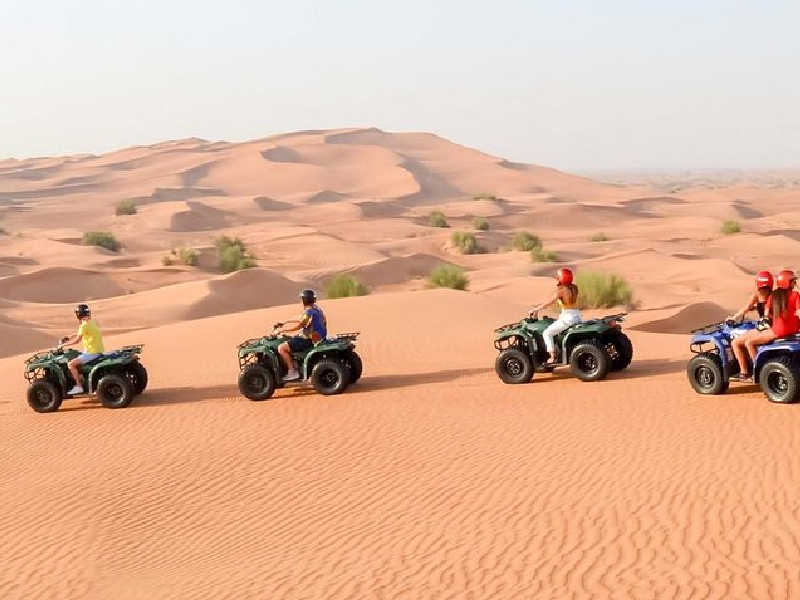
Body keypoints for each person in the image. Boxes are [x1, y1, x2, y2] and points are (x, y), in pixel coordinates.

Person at [733, 269, 800, 383]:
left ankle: (753, 372)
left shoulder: (773, 296)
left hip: (777, 330)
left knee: (745, 342)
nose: (794, 283)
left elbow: (766, 314)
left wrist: (734, 317)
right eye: (793, 281)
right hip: (792, 330)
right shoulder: (794, 295)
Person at [530, 268, 581, 365]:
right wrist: (538, 306)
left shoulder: (562, 291)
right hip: (576, 316)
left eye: (559, 277)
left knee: (547, 333)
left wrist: (537, 309)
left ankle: (553, 357)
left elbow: (550, 302)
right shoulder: (574, 288)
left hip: (568, 318)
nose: (557, 279)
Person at [276, 289, 328, 381]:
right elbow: (301, 318)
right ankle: (293, 363)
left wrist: (283, 331)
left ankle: (292, 371)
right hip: (318, 338)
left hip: (308, 340)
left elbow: (300, 325)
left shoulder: (309, 312)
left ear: (304, 300)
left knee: (281, 348)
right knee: (290, 341)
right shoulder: (316, 309)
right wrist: (285, 321)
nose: (300, 301)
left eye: (301, 299)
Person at [730, 270, 773, 377]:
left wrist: (733, 318)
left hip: (765, 328)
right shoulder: (774, 295)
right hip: (772, 326)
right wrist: (754, 308)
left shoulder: (757, 294)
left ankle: (745, 371)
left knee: (736, 343)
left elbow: (746, 308)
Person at [60, 303, 105, 395]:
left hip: (91, 353)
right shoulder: (91, 322)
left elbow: (77, 340)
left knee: (71, 364)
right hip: (97, 351)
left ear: (78, 314)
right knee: (77, 359)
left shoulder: (84, 325)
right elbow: (82, 332)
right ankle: (82, 380)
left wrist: (63, 345)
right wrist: (69, 336)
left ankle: (79, 386)